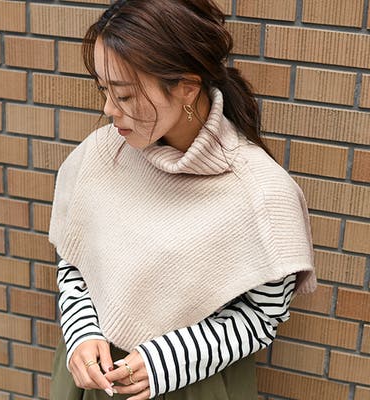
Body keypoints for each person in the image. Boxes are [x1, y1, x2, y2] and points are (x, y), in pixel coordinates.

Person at [48, 0, 317, 399]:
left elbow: (264, 315)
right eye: (104, 90)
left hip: (194, 385)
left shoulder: (261, 191)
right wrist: (81, 332)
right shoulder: (102, 153)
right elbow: (73, 260)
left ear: (188, 88)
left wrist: (165, 361)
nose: (108, 110)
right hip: (91, 379)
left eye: (124, 95)